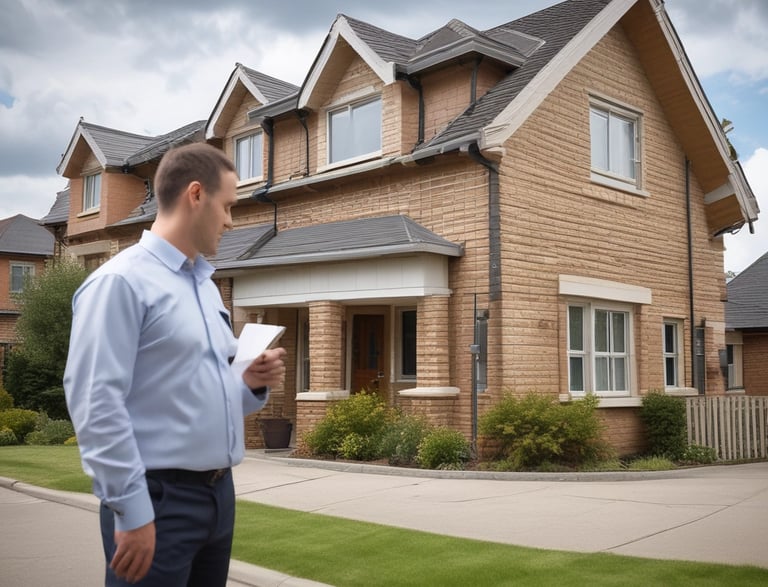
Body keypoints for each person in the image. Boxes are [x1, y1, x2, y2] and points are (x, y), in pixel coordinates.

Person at [64, 143, 286, 586]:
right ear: (196, 194)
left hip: (218, 497)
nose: (230, 221)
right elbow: (95, 403)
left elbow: (196, 394)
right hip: (157, 500)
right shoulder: (120, 283)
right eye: (227, 206)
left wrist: (246, 383)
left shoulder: (204, 286)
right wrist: (131, 510)